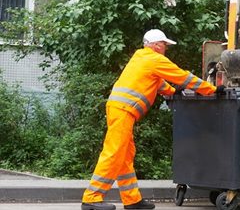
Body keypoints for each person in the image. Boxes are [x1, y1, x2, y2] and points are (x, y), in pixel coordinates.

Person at [81, 29, 224, 210]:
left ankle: (131, 200)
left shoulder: (141, 58)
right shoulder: (154, 59)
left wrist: (173, 92)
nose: (166, 48)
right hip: (123, 110)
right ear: (156, 45)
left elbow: (156, 82)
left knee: (125, 156)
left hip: (119, 109)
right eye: (164, 45)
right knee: (114, 152)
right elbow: (182, 76)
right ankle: (92, 198)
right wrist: (210, 90)